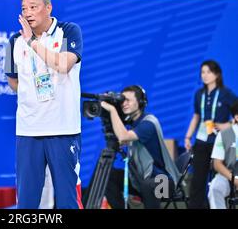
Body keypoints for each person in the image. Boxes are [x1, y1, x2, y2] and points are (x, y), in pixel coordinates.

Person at [5, 0, 84, 209]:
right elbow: (13, 81)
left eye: (33, 7)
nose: (28, 13)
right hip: (29, 131)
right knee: (27, 202)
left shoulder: (68, 31)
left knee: (67, 200)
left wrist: (33, 43)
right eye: (23, 9)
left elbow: (63, 65)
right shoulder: (15, 41)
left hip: (63, 130)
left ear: (48, 8)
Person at [101, 85, 180, 209]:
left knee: (148, 185)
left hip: (164, 183)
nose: (124, 104)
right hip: (142, 180)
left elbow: (123, 136)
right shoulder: (133, 124)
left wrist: (112, 110)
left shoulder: (149, 123)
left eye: (128, 100)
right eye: (122, 100)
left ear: (141, 102)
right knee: (108, 176)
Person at [184, 60, 237, 208]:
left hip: (220, 142)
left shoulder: (226, 93)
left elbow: (236, 115)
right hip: (201, 141)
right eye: (202, 72)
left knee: (216, 181)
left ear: (217, 74)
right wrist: (188, 136)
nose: (205, 75)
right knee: (197, 180)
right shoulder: (199, 94)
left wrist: (226, 125)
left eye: (209, 72)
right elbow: (196, 116)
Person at [208, 100, 238, 209]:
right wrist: (234, 179)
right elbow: (217, 164)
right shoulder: (224, 135)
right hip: (228, 175)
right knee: (215, 189)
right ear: (236, 117)